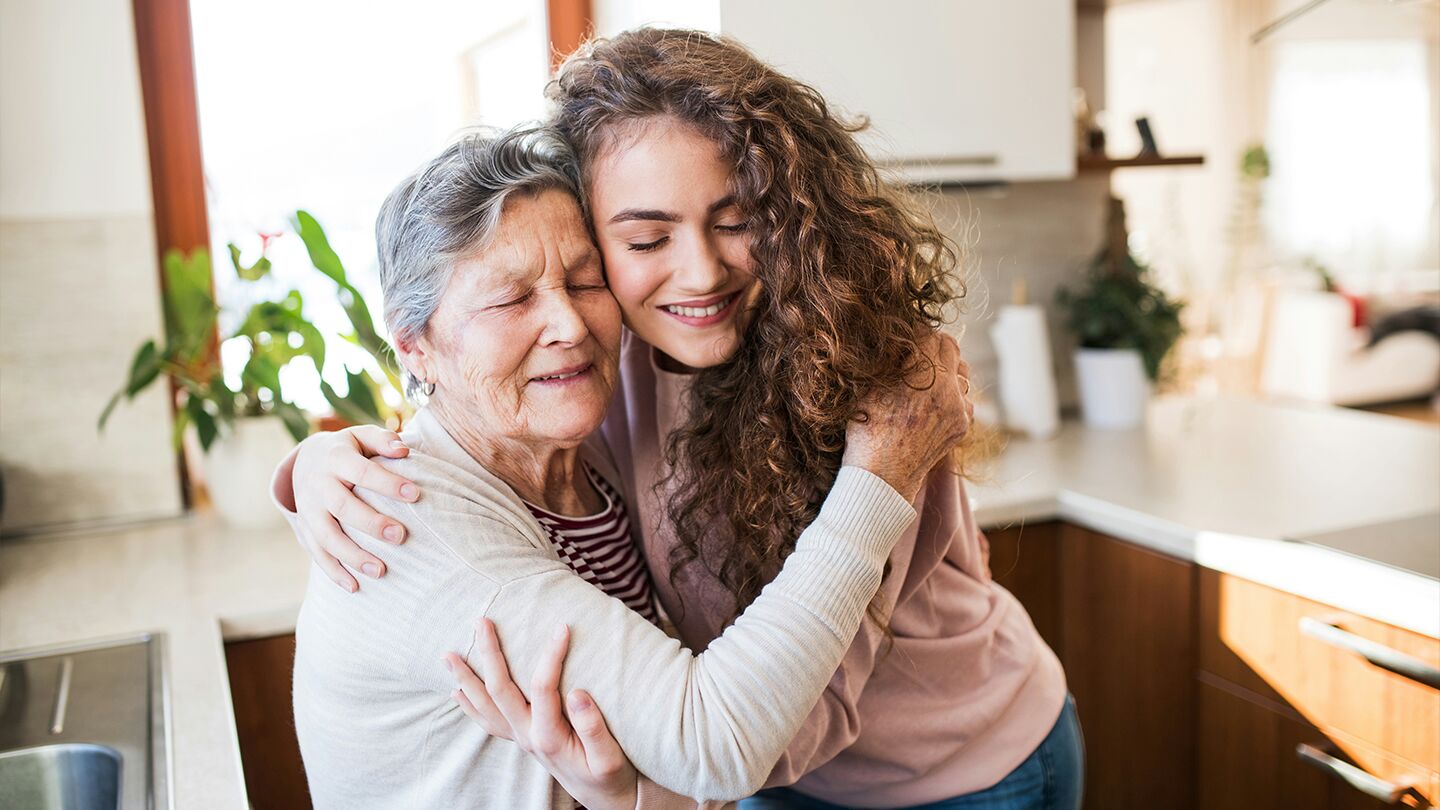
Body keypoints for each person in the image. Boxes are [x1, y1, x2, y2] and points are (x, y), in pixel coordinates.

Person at [277, 28, 1082, 810]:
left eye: (735, 221)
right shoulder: (598, 367)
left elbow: (791, 720)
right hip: (755, 768)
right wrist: (314, 468)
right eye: (646, 237)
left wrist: (647, 789)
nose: (698, 269)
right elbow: (463, 419)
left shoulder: (863, 383)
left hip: (959, 766)